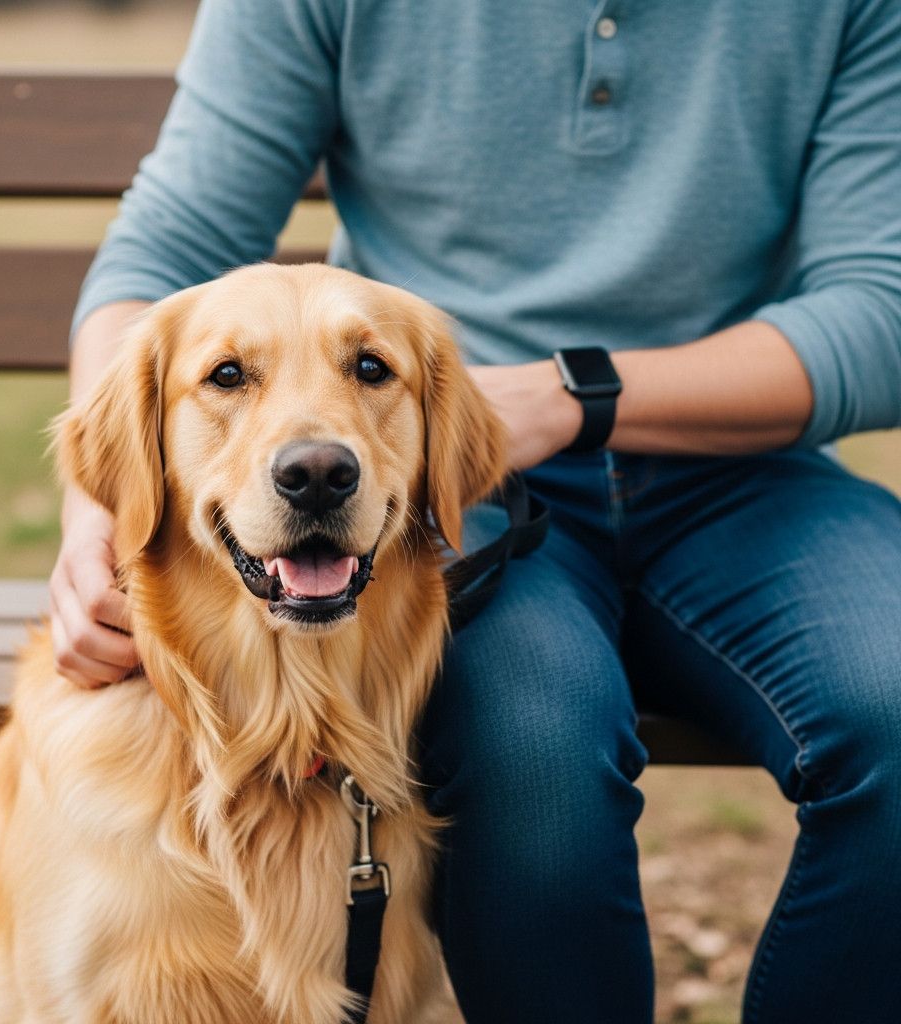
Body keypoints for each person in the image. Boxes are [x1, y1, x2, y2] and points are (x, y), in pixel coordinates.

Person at [51, 2, 901, 1020]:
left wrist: (561, 396)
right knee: (528, 750)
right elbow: (163, 255)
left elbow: (880, 309)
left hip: (744, 470)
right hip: (450, 490)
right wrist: (96, 507)